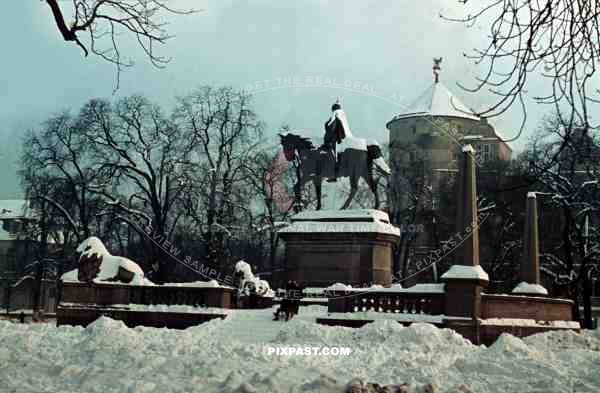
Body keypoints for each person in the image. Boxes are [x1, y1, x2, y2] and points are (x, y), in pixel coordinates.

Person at [323, 99, 346, 182]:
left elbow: (332, 130)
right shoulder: (335, 119)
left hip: (335, 141)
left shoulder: (336, 119)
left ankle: (333, 174)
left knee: (332, 157)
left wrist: (328, 140)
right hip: (334, 140)